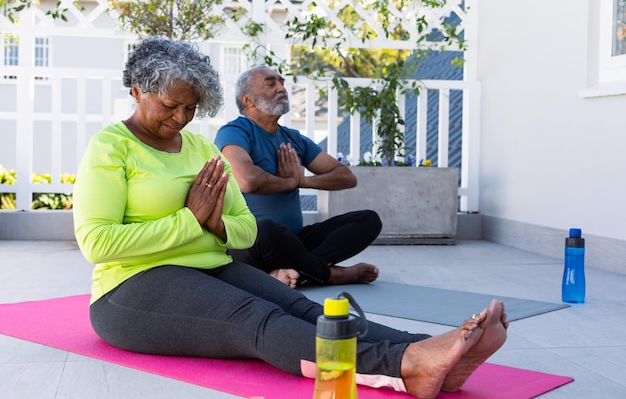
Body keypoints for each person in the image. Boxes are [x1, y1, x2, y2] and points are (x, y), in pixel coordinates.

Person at [73, 36, 508, 399]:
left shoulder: (200, 148)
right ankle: (406, 365)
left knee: (302, 308)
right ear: (136, 90)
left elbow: (243, 227)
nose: (181, 118)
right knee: (256, 320)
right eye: (171, 105)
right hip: (130, 290)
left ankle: (428, 346)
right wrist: (191, 220)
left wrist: (217, 224)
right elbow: (97, 243)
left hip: (212, 265)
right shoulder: (111, 147)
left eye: (190, 108)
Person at [214, 65, 382, 287]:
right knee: (265, 228)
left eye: (282, 82)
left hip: (294, 241)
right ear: (248, 100)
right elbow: (247, 180)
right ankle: (331, 275)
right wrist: (288, 183)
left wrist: (302, 181)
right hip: (251, 243)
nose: (281, 88)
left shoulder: (293, 139)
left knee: (368, 220)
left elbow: (346, 177)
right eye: (271, 83)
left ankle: (294, 272)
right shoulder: (235, 131)